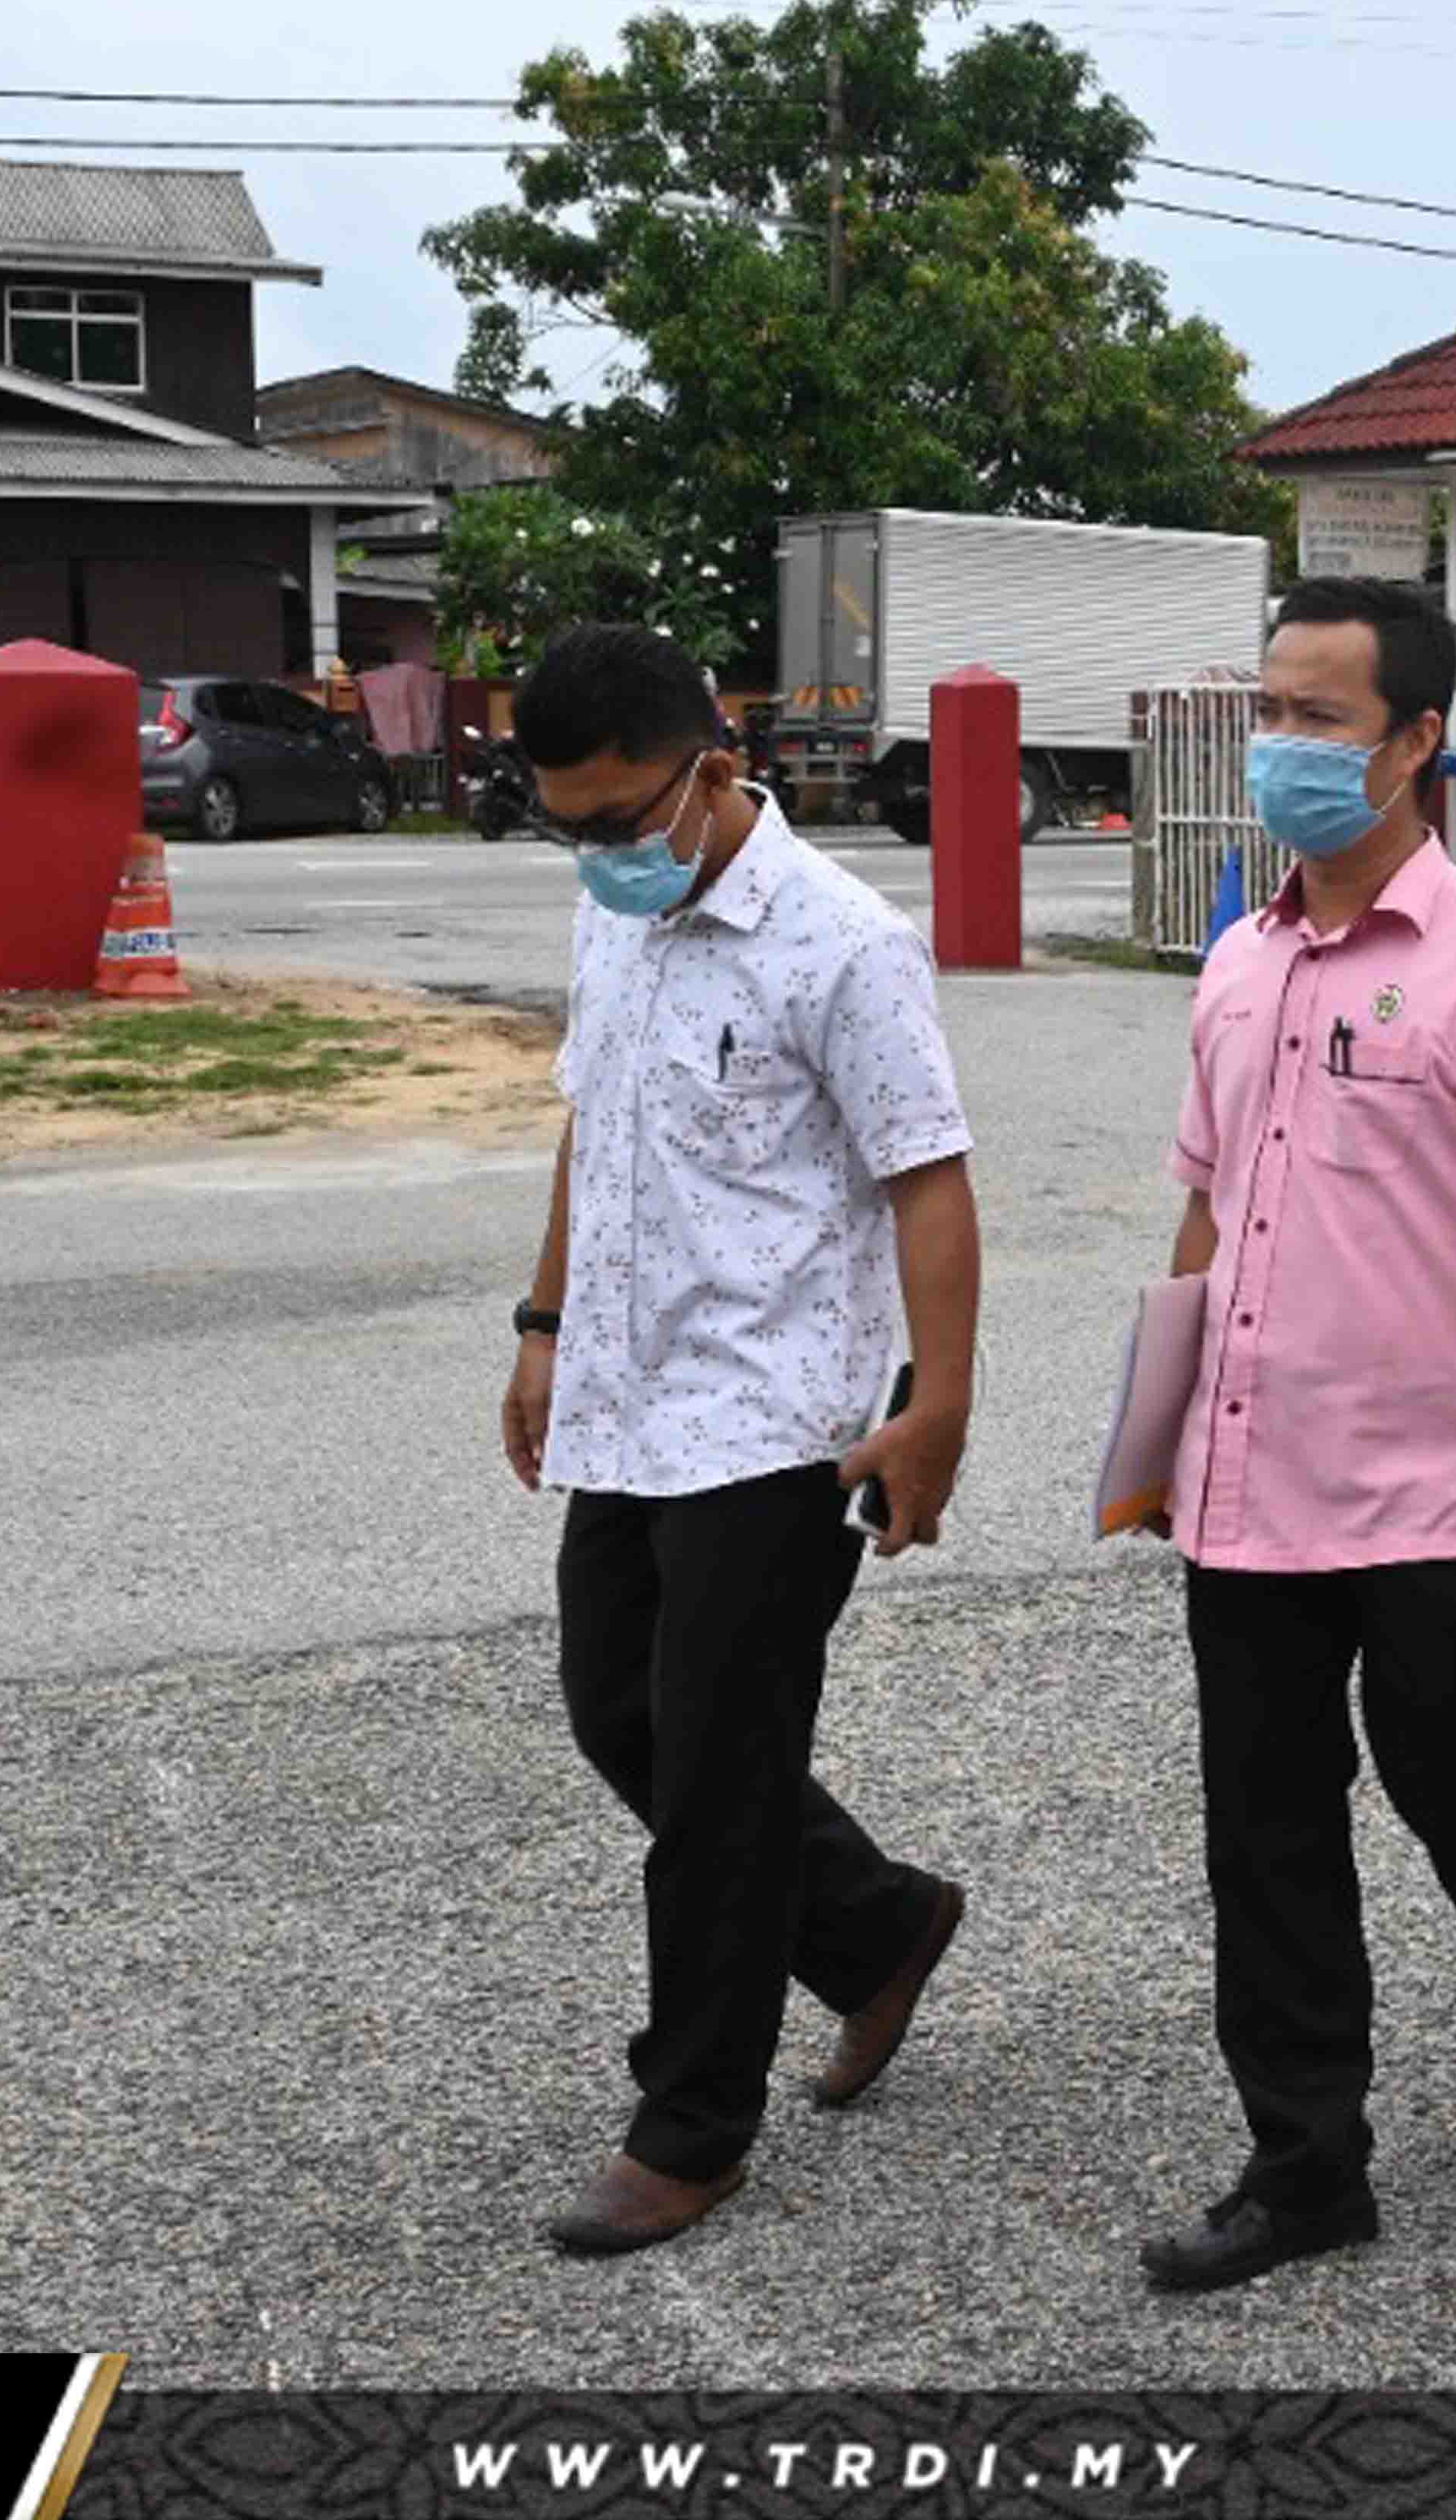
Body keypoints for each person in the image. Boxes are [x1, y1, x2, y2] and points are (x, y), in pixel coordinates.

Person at [1138, 575, 1456, 2294]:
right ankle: (1307, 2165)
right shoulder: (1237, 958)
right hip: (1249, 1486)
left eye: (1318, 718)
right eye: (1267, 708)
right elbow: (1207, 1216)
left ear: (1417, 738)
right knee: (1262, 1826)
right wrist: (1159, 1430)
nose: (1280, 744)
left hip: (1441, 1487)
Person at [498, 624, 982, 2258]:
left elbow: (931, 1176)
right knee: (617, 1709)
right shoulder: (608, 911)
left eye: (625, 815)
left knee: (714, 1777)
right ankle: (877, 1923)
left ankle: (692, 2119)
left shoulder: (844, 944)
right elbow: (591, 1117)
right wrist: (542, 1327)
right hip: (629, 1398)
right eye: (569, 823)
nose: (603, 850)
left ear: (715, 764)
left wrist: (938, 1406)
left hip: (780, 1426)